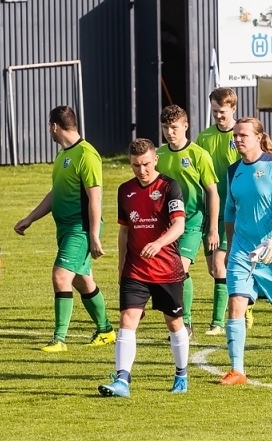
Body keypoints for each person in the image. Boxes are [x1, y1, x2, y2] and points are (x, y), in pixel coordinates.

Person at [13, 106, 114, 352]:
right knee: (82, 281)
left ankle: (59, 339)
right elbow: (55, 194)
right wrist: (30, 218)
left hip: (80, 229)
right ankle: (106, 330)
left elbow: (95, 198)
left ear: (54, 126)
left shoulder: (87, 155)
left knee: (60, 276)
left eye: (50, 127)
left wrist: (93, 235)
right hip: (66, 229)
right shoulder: (63, 155)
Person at [99, 140, 192, 397]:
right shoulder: (124, 190)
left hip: (166, 270)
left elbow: (179, 226)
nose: (141, 170)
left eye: (146, 164)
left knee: (174, 324)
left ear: (156, 160)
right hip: (135, 270)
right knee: (127, 320)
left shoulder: (169, 186)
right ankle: (122, 381)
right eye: (135, 165)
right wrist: (121, 265)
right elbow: (124, 230)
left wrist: (159, 242)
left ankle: (181, 374)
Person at [218, 117, 272, 385]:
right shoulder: (233, 171)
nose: (238, 139)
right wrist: (231, 247)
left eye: (243, 135)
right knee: (235, 305)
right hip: (242, 251)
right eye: (236, 135)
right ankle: (237, 369)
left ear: (258, 136)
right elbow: (229, 210)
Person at [156, 105, 219, 334]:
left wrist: (212, 228)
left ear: (185, 126)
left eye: (174, 127)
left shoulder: (198, 155)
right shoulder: (159, 156)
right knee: (173, 271)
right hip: (168, 223)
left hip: (193, 220)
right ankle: (183, 319)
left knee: (178, 269)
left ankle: (187, 322)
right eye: (165, 127)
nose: (169, 132)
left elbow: (212, 191)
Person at [196, 87, 242, 335]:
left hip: (233, 209)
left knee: (220, 264)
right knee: (213, 269)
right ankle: (246, 298)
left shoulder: (240, 135)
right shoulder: (204, 138)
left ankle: (217, 322)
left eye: (222, 112)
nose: (218, 116)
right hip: (208, 210)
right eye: (215, 112)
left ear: (233, 108)